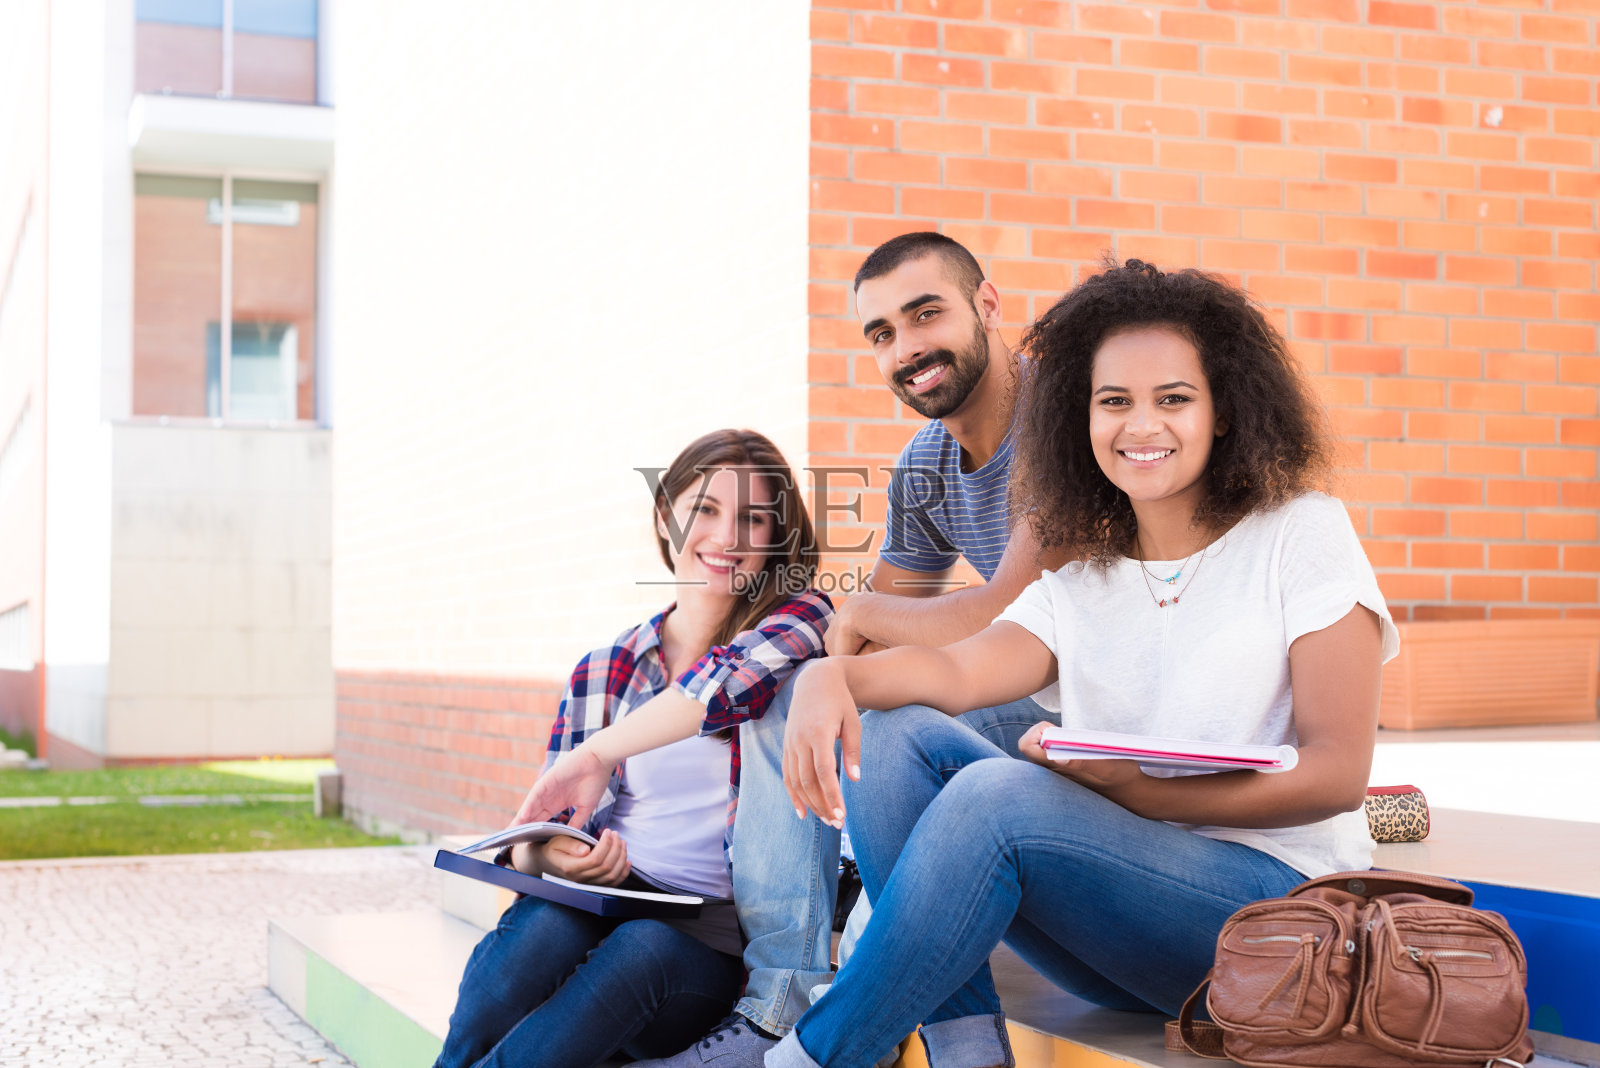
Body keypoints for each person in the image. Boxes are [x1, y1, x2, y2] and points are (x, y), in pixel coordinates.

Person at [768, 259, 1400, 1068]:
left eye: (1174, 398)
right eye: (1113, 402)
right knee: (893, 734)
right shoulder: (1083, 579)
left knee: (998, 794)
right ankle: (969, 1052)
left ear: (1226, 411)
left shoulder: (1301, 533)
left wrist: (1135, 794)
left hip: (1272, 918)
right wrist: (831, 677)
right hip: (1120, 923)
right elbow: (956, 674)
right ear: (1079, 417)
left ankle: (813, 1056)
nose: (1142, 426)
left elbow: (1338, 774)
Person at [623, 233, 1066, 1068]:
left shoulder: (1063, 417)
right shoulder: (925, 463)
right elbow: (873, 632)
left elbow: (1008, 608)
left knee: (867, 706)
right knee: (799, 687)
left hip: (1079, 704)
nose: (907, 348)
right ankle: (777, 999)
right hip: (1005, 684)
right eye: (882, 333)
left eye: (926, 313)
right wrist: (840, 651)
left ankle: (845, 991)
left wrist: (861, 620)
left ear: (990, 306)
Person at [432, 429, 832, 1068]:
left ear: (776, 541)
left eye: (754, 519)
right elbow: (540, 835)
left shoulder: (798, 631)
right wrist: (555, 857)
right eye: (705, 510)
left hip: (704, 958)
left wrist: (597, 754)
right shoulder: (605, 668)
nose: (727, 538)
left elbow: (719, 685)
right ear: (665, 518)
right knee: (540, 930)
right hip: (602, 910)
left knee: (642, 947)